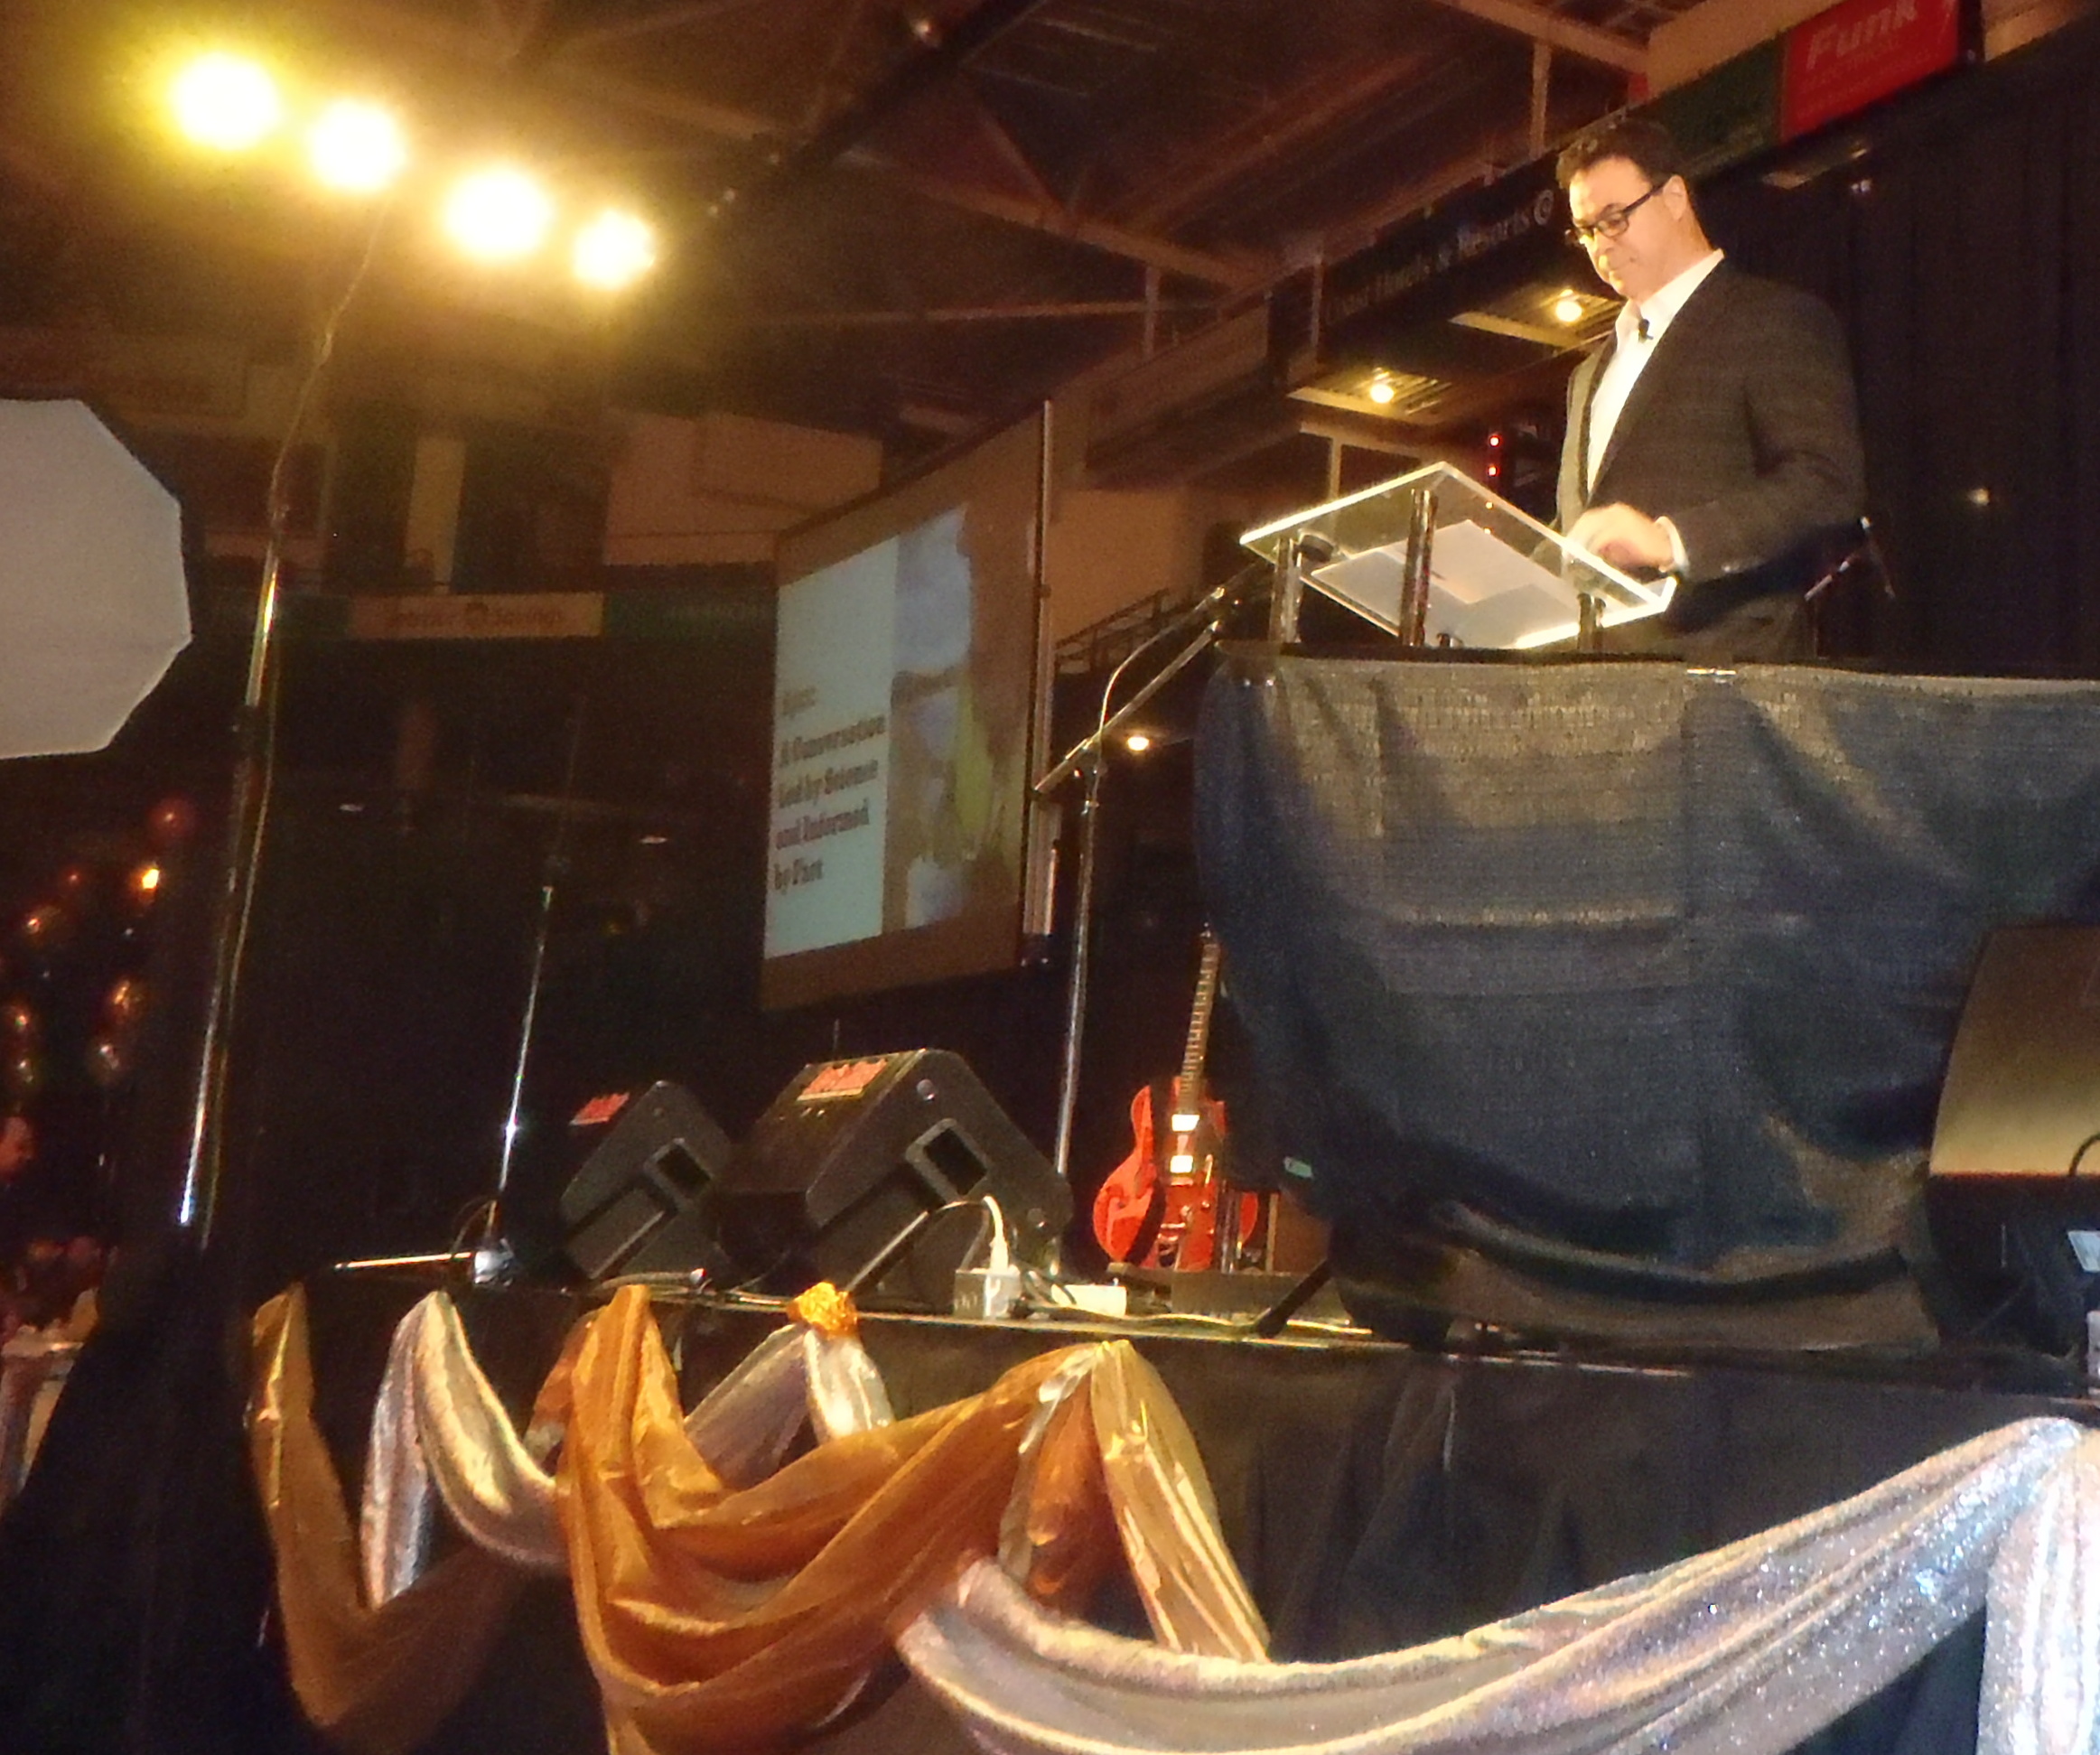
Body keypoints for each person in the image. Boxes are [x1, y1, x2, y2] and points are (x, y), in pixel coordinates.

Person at [1555, 118, 1867, 661]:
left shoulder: (1772, 319)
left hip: (1725, 672)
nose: (1600, 245)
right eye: (1585, 230)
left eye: (1615, 218)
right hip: (1591, 679)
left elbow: (1826, 484)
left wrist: (1673, 540)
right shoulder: (1587, 374)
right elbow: (1580, 527)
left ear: (1675, 197)